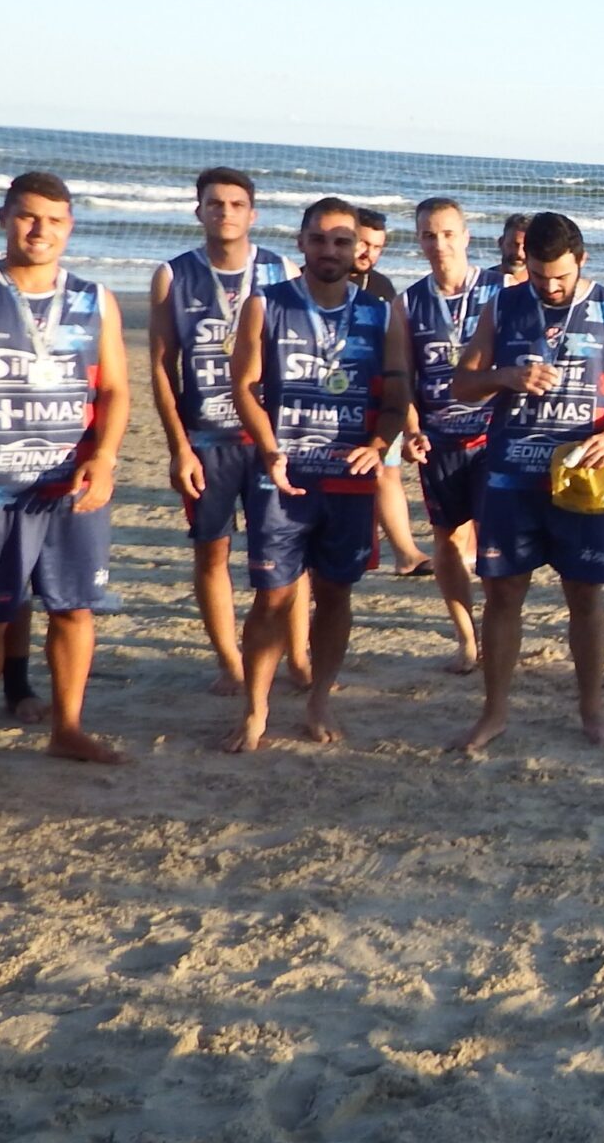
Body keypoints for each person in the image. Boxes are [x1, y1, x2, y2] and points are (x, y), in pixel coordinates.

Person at [448, 211, 604, 751]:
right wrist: (504, 376)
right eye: (539, 275)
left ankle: (591, 709)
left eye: (559, 276)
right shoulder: (504, 304)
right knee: (504, 592)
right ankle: (494, 713)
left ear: (581, 261)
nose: (549, 286)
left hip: (581, 479)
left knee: (584, 596)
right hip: (512, 475)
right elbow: (462, 385)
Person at [221, 197, 410, 752]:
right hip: (284, 477)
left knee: (336, 594)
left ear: (358, 250)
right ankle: (255, 710)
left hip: (349, 478)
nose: (331, 251)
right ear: (301, 243)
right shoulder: (267, 304)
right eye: (320, 239)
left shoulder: (380, 312)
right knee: (272, 598)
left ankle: (319, 699)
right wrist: (268, 445)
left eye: (342, 241)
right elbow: (245, 388)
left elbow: (398, 395)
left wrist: (380, 444)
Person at [0, 172, 132, 771]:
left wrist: (104, 456)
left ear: (70, 227)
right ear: (3, 217)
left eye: (54, 219)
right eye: (27, 216)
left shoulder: (94, 298)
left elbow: (118, 389)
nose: (40, 230)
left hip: (69, 483)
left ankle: (67, 728)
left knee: (74, 608)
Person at [149, 166, 310, 695]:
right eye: (215, 204)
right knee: (212, 551)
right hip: (208, 441)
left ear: (252, 214)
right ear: (199, 211)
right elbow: (161, 368)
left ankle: (300, 656)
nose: (225, 212)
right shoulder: (173, 275)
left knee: (288, 552)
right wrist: (179, 448)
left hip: (267, 442)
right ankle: (229, 662)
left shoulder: (280, 269)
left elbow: (295, 355)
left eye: (236, 204)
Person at [397, 196, 501, 670]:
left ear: (466, 236)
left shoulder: (503, 289)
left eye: (447, 233)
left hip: (491, 437)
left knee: (494, 542)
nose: (438, 244)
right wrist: (412, 430)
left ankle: (499, 633)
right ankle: (467, 637)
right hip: (440, 443)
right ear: (418, 240)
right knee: (446, 540)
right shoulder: (408, 302)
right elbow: (403, 378)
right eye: (428, 235)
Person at [349, 208, 428, 577]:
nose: (369, 253)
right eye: (363, 243)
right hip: (330, 399)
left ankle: (405, 552)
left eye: (377, 246)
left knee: (387, 470)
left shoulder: (381, 288)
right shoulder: (310, 280)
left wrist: (407, 415)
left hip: (378, 394)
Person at [474, 212, 530, 297]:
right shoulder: (481, 282)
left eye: (526, 246)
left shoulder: (538, 286)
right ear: (501, 242)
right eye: (513, 244)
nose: (519, 253)